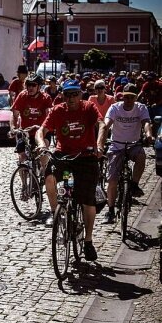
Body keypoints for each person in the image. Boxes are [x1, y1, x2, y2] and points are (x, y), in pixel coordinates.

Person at [36, 79, 104, 261]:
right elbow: (41, 130)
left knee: (87, 200)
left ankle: (88, 241)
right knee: (49, 176)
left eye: (74, 94)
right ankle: (54, 213)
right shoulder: (58, 110)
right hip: (63, 156)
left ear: (80, 94)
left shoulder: (88, 107)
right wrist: (42, 144)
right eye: (67, 94)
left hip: (85, 157)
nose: (71, 98)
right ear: (62, 95)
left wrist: (98, 144)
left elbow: (102, 124)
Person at [98, 84, 153, 224]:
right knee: (112, 180)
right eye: (125, 97)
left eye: (131, 97)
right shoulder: (115, 108)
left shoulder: (141, 108)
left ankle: (134, 184)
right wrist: (101, 143)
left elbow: (146, 122)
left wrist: (148, 135)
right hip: (117, 145)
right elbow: (106, 125)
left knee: (141, 156)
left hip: (134, 144)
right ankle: (110, 210)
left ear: (136, 97)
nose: (128, 100)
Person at [10, 73, 53, 166]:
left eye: (34, 85)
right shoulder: (22, 96)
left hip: (41, 132)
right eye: (28, 85)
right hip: (25, 131)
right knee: (21, 157)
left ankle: (44, 175)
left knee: (42, 152)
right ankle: (24, 180)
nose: (31, 87)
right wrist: (13, 128)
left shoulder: (46, 98)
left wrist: (46, 128)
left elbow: (49, 115)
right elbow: (14, 114)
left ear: (39, 87)